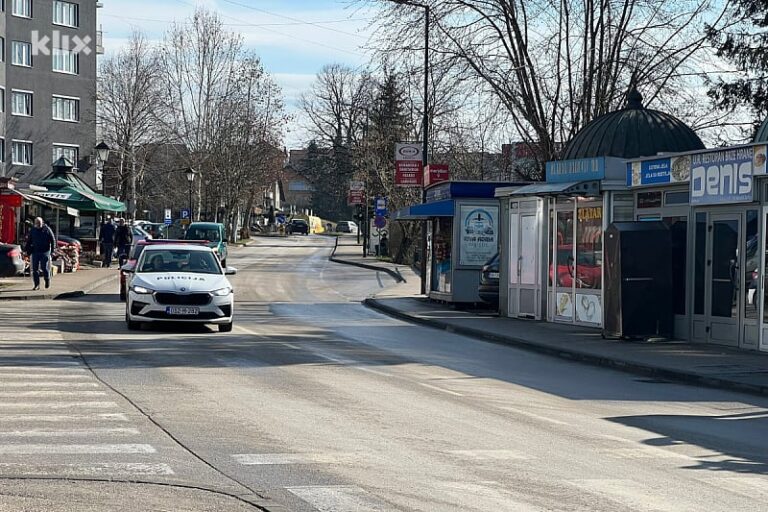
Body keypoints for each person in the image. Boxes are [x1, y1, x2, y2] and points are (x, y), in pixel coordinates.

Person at [24, 217, 56, 290]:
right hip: (35, 251)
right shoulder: (33, 230)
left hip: (45, 251)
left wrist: (52, 251)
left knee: (44, 267)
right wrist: (26, 249)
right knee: (35, 269)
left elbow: (52, 240)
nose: (38, 225)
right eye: (37, 224)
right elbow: (29, 240)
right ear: (35, 224)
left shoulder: (47, 229)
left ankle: (47, 279)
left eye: (39, 224)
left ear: (42, 223)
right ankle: (36, 285)